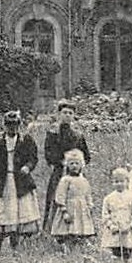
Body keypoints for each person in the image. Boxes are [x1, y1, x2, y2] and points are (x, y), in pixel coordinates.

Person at [0, 110, 41, 251]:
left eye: (15, 125)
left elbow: (33, 158)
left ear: (19, 125)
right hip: (1, 182)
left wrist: (27, 167)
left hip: (19, 182)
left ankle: (15, 246)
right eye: (8, 125)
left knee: (17, 213)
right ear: (4, 125)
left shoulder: (26, 141)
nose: (11, 128)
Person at [42, 99, 91, 233]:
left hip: (75, 173)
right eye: (64, 112)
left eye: (70, 113)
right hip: (59, 172)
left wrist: (78, 163)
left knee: (77, 200)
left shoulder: (78, 135)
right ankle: (50, 230)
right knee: (55, 198)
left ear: (73, 116)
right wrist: (61, 161)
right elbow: (48, 154)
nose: (67, 115)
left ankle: (79, 230)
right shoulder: (52, 134)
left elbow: (86, 156)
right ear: (59, 114)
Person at [49, 148, 96, 250]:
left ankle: (80, 246)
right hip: (69, 207)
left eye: (76, 163)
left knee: (80, 228)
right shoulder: (65, 180)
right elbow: (60, 196)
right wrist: (64, 211)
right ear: (67, 166)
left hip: (81, 208)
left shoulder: (83, 180)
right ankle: (67, 247)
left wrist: (90, 205)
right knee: (68, 229)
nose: (74, 166)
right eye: (71, 164)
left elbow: (87, 194)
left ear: (81, 165)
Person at [100, 167, 132, 261]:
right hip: (115, 229)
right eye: (116, 181)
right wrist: (111, 226)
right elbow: (105, 214)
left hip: (127, 228)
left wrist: (131, 225)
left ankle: (127, 262)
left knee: (127, 248)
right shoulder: (108, 198)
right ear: (112, 183)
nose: (119, 184)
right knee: (116, 249)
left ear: (127, 182)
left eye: (122, 181)